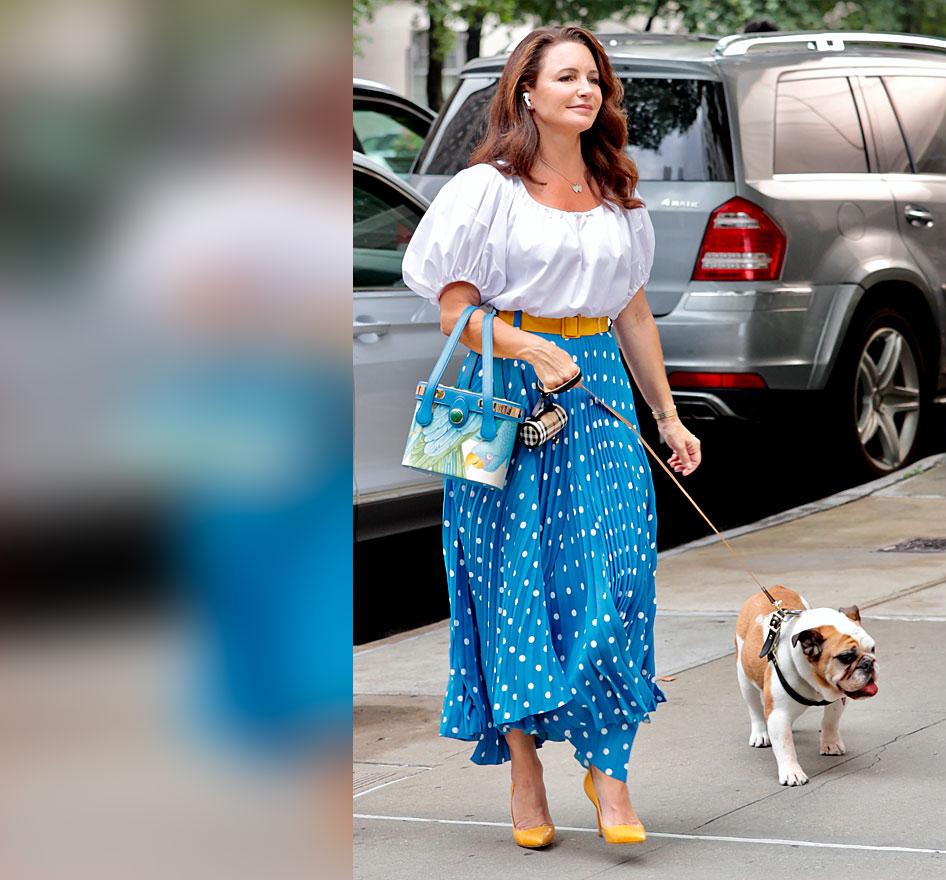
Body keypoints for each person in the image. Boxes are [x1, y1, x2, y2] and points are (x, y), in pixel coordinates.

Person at [400, 24, 702, 849]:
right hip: (501, 390)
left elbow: (632, 310)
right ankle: (527, 769)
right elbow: (454, 310)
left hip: (597, 385)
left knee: (615, 580)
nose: (585, 89)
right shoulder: (485, 189)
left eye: (594, 79)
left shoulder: (617, 188)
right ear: (525, 92)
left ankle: (610, 771)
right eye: (566, 76)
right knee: (511, 584)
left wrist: (668, 415)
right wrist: (529, 344)